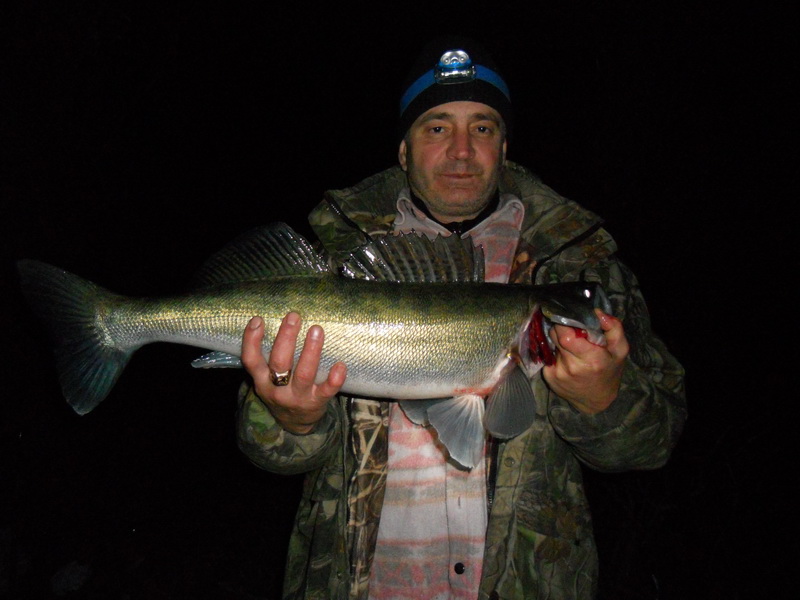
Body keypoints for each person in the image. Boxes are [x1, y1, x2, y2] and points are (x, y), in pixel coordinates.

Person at [235, 37, 686, 600]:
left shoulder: (581, 268)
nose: (461, 151)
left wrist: (605, 401)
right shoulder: (337, 264)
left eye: (483, 127)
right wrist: (290, 419)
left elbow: (654, 445)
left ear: (504, 146)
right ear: (404, 150)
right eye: (437, 127)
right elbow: (266, 452)